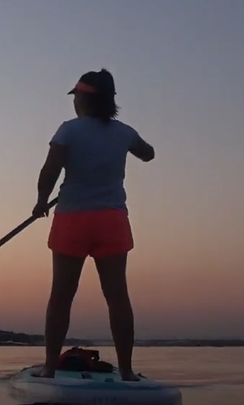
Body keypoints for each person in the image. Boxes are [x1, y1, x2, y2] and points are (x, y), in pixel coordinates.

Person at [30, 69, 154, 382]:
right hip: (111, 220)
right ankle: (126, 371)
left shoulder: (68, 131)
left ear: (84, 98)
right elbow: (148, 154)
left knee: (61, 296)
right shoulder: (123, 132)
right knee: (117, 297)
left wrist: (41, 202)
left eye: (77, 96)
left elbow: (50, 171)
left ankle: (48, 369)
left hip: (72, 219)